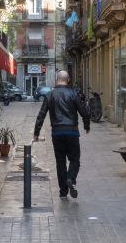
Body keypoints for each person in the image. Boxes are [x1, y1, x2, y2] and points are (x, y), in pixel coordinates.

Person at [33, 70, 90, 199]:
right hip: (72, 131)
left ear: (56, 80)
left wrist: (37, 132)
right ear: (68, 80)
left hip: (57, 132)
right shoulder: (73, 94)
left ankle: (63, 191)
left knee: (60, 162)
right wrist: (87, 126)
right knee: (75, 159)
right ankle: (71, 179)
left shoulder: (49, 95)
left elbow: (41, 115)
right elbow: (84, 112)